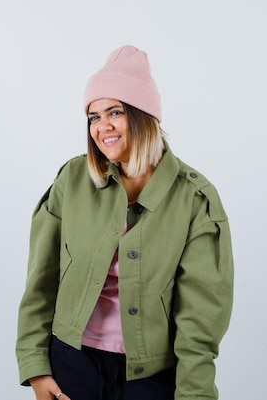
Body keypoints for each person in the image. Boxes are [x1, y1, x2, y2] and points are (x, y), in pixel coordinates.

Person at [15, 45, 234, 400]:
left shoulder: (195, 199)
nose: (102, 127)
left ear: (144, 114)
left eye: (114, 112)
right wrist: (35, 366)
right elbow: (40, 281)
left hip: (150, 380)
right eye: (93, 116)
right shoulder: (71, 180)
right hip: (72, 366)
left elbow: (200, 322)